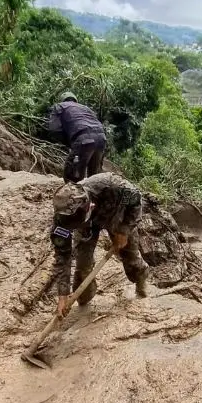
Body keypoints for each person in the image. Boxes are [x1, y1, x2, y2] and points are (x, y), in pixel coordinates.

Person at [50, 173, 149, 317]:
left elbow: (136, 201)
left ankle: (141, 286)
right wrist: (62, 295)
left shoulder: (114, 186)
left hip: (116, 215)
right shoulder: (62, 221)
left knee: (130, 255)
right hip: (87, 229)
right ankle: (83, 299)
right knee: (83, 265)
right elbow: (62, 257)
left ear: (90, 206)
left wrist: (125, 230)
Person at [48, 92, 107, 182]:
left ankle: (72, 194)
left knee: (72, 176)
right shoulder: (86, 108)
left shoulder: (59, 106)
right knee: (94, 179)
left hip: (84, 139)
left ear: (63, 100)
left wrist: (67, 142)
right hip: (102, 139)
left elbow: (54, 129)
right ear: (75, 100)